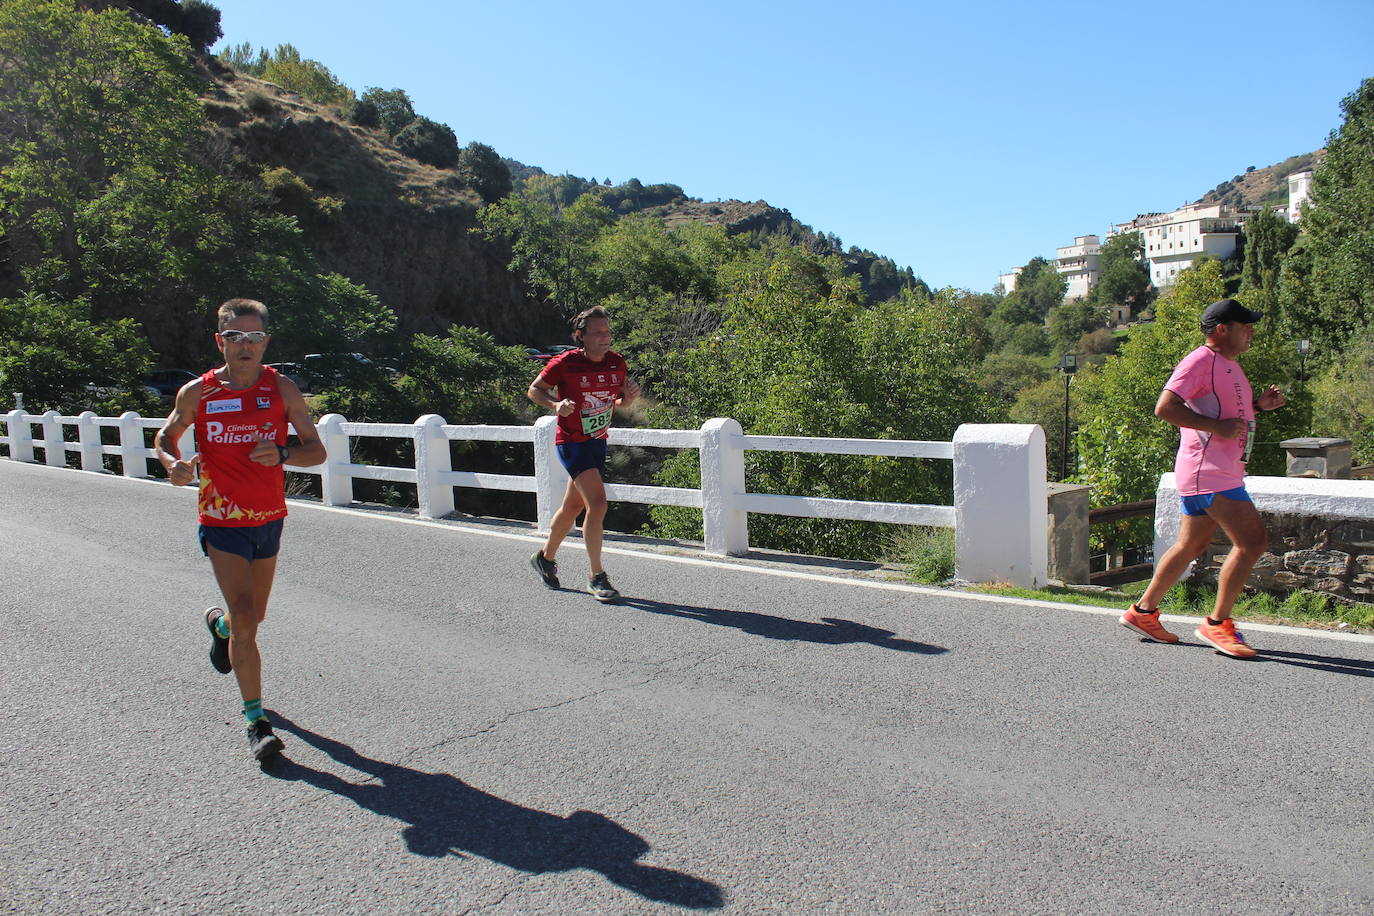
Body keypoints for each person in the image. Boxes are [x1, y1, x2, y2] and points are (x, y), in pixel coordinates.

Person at [156, 299, 326, 761]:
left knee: (252, 616)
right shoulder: (198, 392)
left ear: (265, 342)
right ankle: (257, 722)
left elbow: (317, 451)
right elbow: (167, 436)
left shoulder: (282, 389)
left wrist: (284, 453)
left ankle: (220, 626)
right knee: (248, 619)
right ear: (220, 341)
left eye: (254, 337)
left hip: (268, 517)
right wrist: (173, 464)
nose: (244, 345)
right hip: (220, 519)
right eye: (235, 336)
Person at [1119, 298, 1286, 658]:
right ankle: (1217, 624)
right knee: (1252, 542)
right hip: (1209, 472)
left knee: (1191, 546)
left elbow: (1225, 411)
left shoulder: (1228, 365)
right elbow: (1165, 407)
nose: (1251, 332)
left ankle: (1143, 612)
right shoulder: (1199, 361)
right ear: (1222, 330)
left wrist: (1258, 406)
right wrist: (1216, 428)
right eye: (1245, 326)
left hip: (1216, 470)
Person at [526, 306, 640, 603]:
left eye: (608, 331)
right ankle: (596, 575)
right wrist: (555, 405)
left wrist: (628, 399)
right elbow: (535, 390)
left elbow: (617, 402)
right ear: (581, 336)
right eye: (598, 332)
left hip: (597, 442)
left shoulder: (617, 363)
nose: (605, 337)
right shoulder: (565, 362)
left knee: (572, 506)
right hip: (572, 442)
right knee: (598, 503)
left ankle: (545, 558)